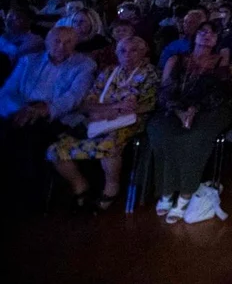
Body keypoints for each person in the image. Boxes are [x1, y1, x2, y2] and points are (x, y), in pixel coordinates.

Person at [46, 36, 158, 211]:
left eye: (134, 50)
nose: (128, 55)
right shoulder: (108, 72)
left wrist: (113, 111)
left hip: (130, 122)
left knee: (109, 145)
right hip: (98, 120)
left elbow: (148, 104)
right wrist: (112, 108)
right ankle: (80, 186)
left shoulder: (151, 73)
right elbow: (86, 103)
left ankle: (111, 187)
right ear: (116, 53)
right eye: (123, 51)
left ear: (144, 52)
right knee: (55, 151)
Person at [0, 27, 96, 211]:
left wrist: (47, 109)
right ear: (47, 42)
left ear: (75, 44)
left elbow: (74, 96)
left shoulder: (84, 65)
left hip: (58, 115)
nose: (62, 46)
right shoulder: (29, 61)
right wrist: (23, 109)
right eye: (57, 41)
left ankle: (26, 195)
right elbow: (8, 91)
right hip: (20, 110)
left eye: (68, 42)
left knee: (29, 135)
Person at [147, 22, 232, 223]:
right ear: (195, 36)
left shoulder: (220, 61)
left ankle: (186, 193)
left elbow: (219, 93)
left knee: (193, 137)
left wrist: (195, 109)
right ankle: (167, 190)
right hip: (174, 108)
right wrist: (179, 110)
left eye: (213, 33)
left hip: (210, 110)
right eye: (203, 31)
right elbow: (165, 91)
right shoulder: (176, 60)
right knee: (163, 132)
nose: (207, 36)